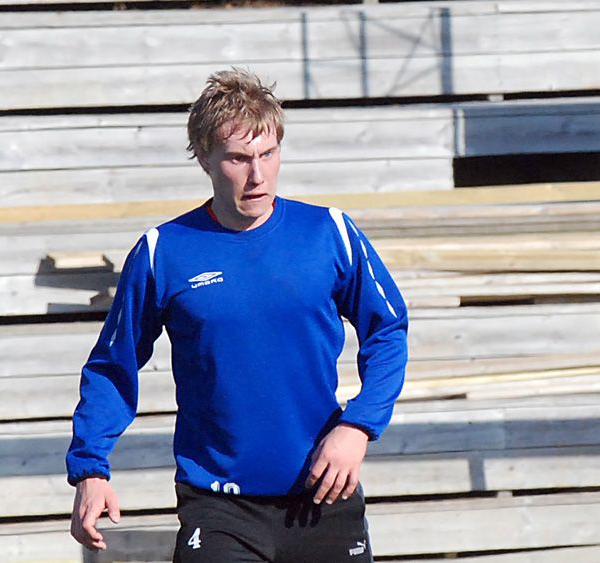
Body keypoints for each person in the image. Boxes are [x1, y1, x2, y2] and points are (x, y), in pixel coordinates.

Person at [66, 68, 408, 562]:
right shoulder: (164, 251)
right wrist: (91, 467)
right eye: (239, 158)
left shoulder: (328, 233)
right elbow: (111, 366)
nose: (258, 175)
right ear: (204, 157)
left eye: (268, 154)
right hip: (219, 507)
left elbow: (389, 330)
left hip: (323, 494)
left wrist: (358, 426)